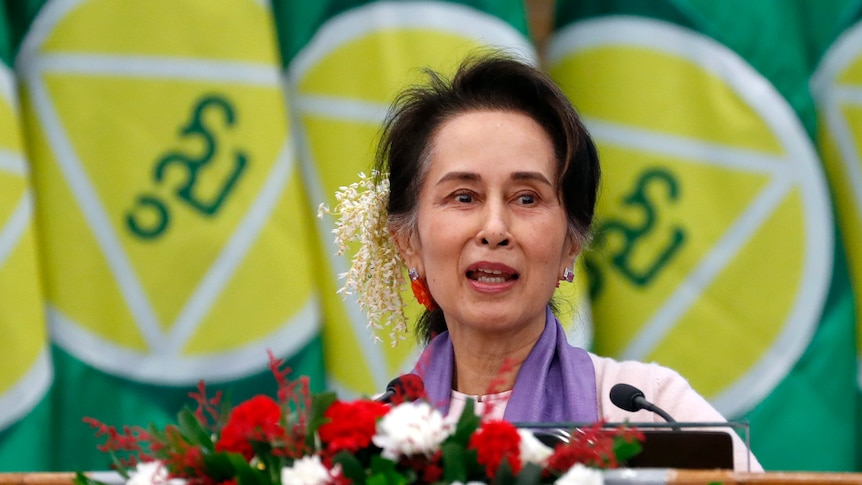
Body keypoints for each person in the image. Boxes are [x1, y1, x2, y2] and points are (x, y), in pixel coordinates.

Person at [329, 52, 761, 472]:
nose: (494, 228)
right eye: (464, 197)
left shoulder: (643, 408)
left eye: (527, 198)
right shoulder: (369, 440)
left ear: (571, 244)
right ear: (408, 240)